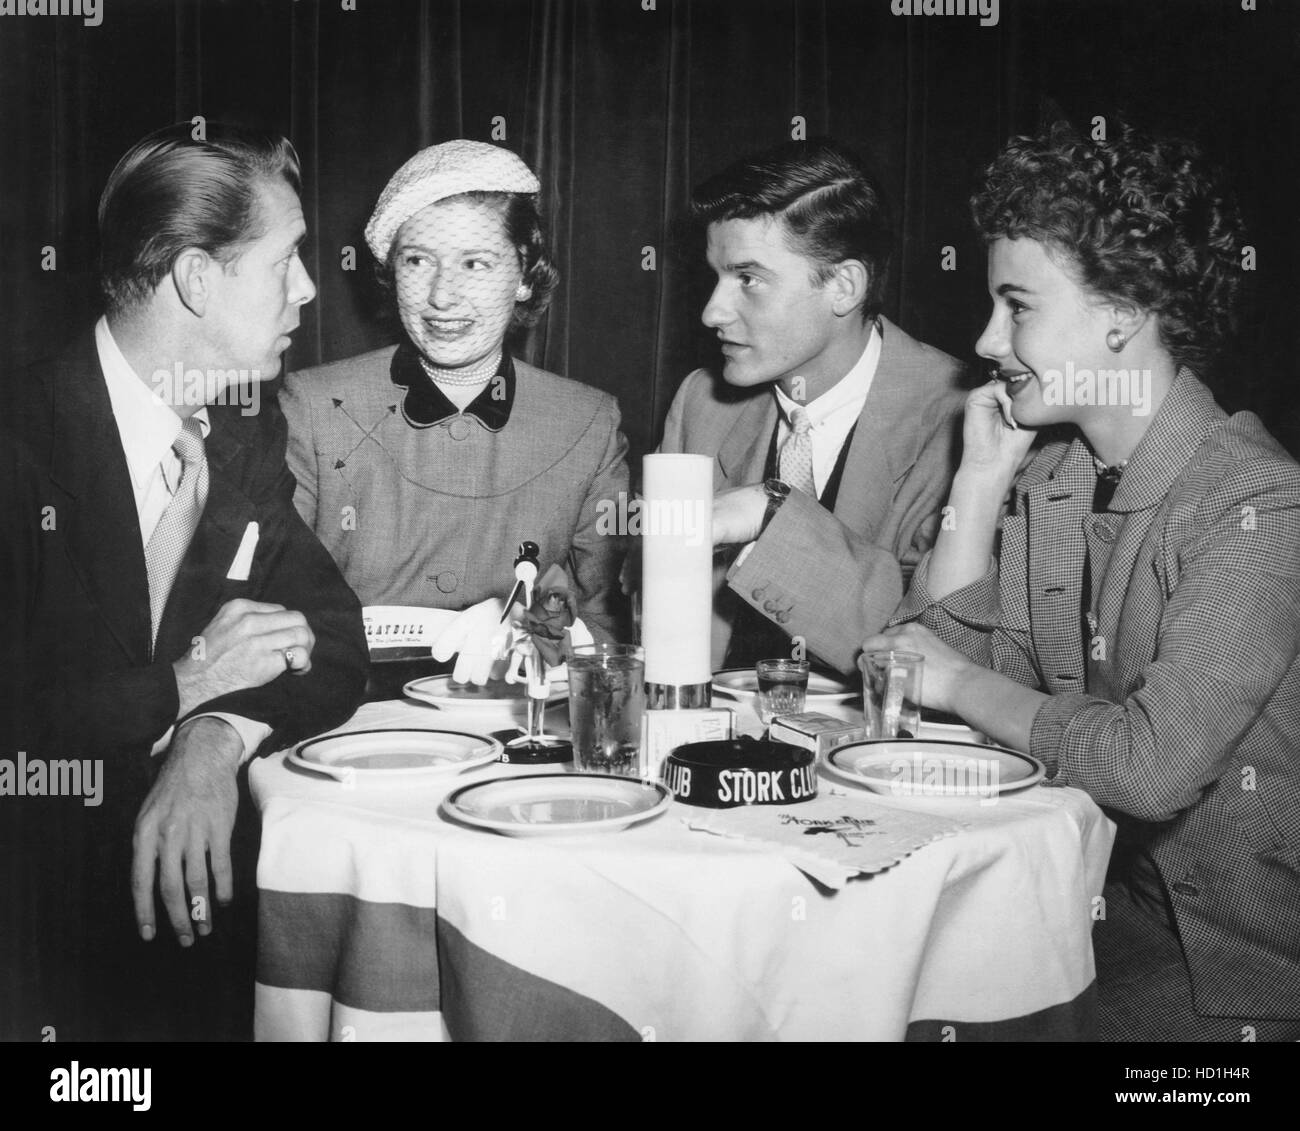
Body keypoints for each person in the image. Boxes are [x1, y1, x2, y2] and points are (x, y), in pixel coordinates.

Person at [867, 122, 1300, 1040]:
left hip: (1248, 974)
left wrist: (957, 683)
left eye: (1017, 306)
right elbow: (927, 678)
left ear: (1122, 313)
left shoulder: (1257, 502)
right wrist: (978, 484)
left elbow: (1148, 770)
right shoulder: (1059, 476)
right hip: (1105, 918)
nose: (987, 339)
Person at [0, 123, 369, 1040]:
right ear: (198, 280)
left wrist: (209, 737)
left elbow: (334, 633)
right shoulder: (18, 440)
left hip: (188, 937)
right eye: (286, 260)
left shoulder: (240, 433)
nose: (311, 289)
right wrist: (188, 682)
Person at [280, 140, 629, 684]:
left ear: (523, 277)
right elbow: (271, 606)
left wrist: (536, 635)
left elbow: (602, 624)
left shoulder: (587, 421)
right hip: (344, 713)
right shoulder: (313, 405)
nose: (442, 296)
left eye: (476, 263)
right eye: (417, 261)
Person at [658, 139, 966, 676]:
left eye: (748, 279)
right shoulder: (702, 404)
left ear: (843, 287)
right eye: (715, 277)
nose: (712, 311)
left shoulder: (960, 422)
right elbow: (662, 623)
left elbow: (939, 654)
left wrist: (774, 514)